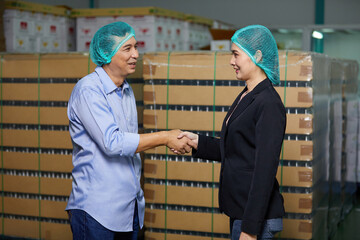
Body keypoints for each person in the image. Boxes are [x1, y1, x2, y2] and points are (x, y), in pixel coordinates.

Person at [65, 22, 195, 240]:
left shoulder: (125, 90)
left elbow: (130, 145)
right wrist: (165, 137)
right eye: (127, 49)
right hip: (97, 211)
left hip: (128, 207)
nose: (136, 54)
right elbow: (113, 143)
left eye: (136, 47)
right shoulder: (89, 90)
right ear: (107, 54)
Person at [178, 25, 286, 240]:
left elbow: (264, 169)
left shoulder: (268, 103)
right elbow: (237, 149)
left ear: (257, 56)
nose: (231, 61)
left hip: (254, 218)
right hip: (240, 211)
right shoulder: (247, 94)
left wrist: (250, 228)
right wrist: (197, 141)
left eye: (236, 54)